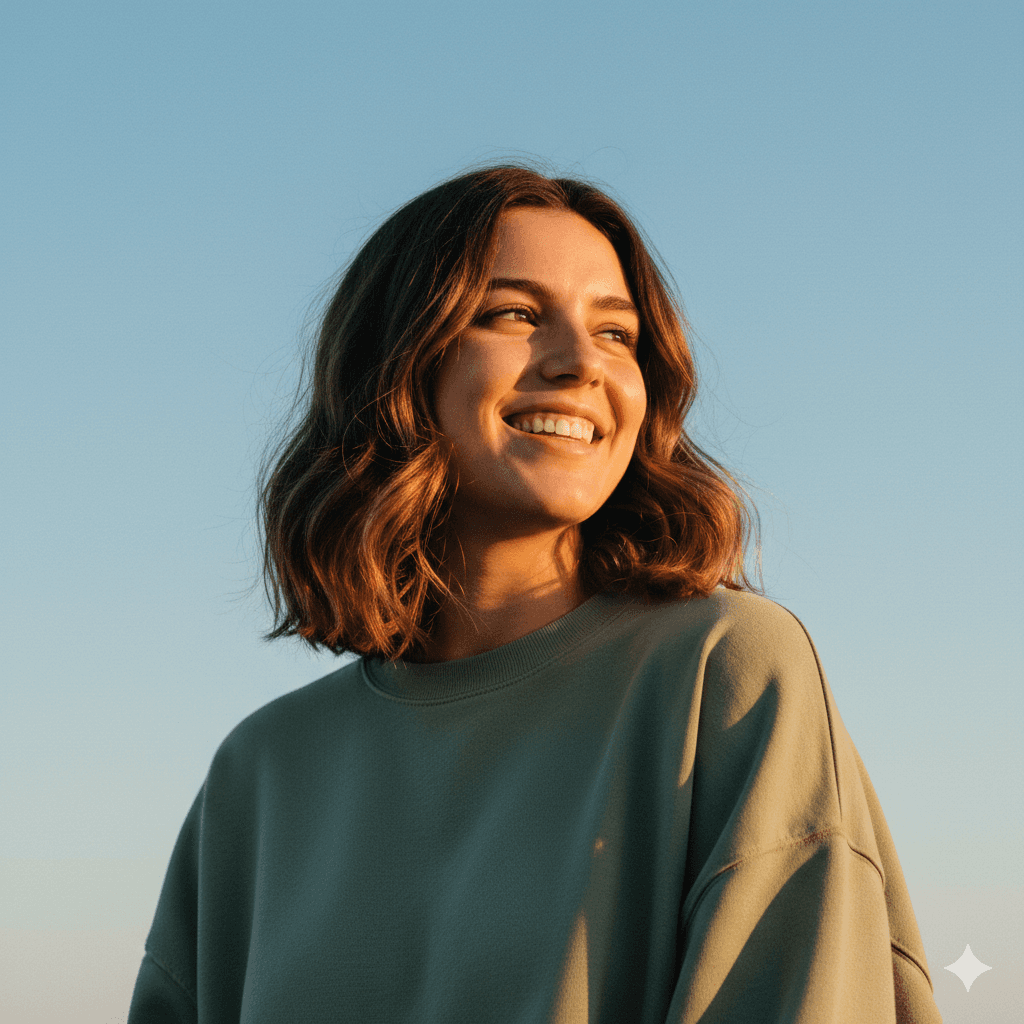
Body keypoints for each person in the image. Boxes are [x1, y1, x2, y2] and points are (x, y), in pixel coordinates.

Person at [127, 163, 943, 1022]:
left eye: (617, 333)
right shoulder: (262, 773)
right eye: (514, 314)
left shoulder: (724, 671)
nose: (581, 363)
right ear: (397, 363)